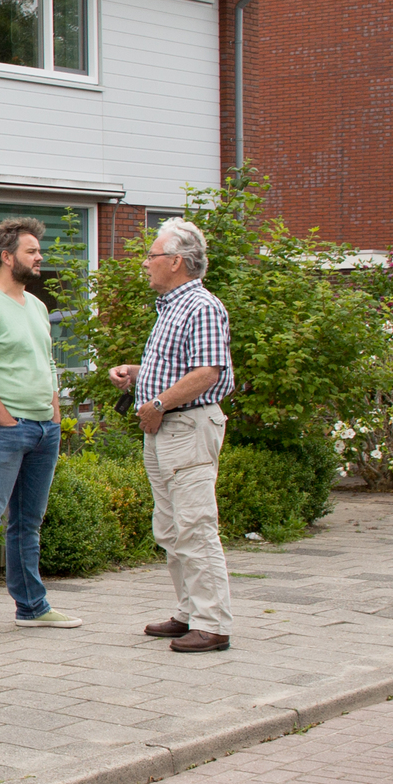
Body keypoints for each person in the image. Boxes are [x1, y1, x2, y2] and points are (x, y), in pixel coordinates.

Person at [107, 215, 234, 652]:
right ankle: (189, 612)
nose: (146, 262)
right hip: (165, 429)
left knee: (195, 526)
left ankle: (213, 623)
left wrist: (159, 402)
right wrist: (139, 374)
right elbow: (182, 366)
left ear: (176, 261)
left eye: (153, 254)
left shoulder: (201, 306)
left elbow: (208, 371)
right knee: (171, 527)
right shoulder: (172, 307)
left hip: (185, 427)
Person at [0, 218, 82, 641]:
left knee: (27, 523)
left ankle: (32, 607)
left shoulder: (38, 306)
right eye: (31, 251)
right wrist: (4, 420)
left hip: (44, 429)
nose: (39, 257)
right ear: (7, 258)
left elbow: (46, 363)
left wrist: (55, 413)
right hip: (0, 430)